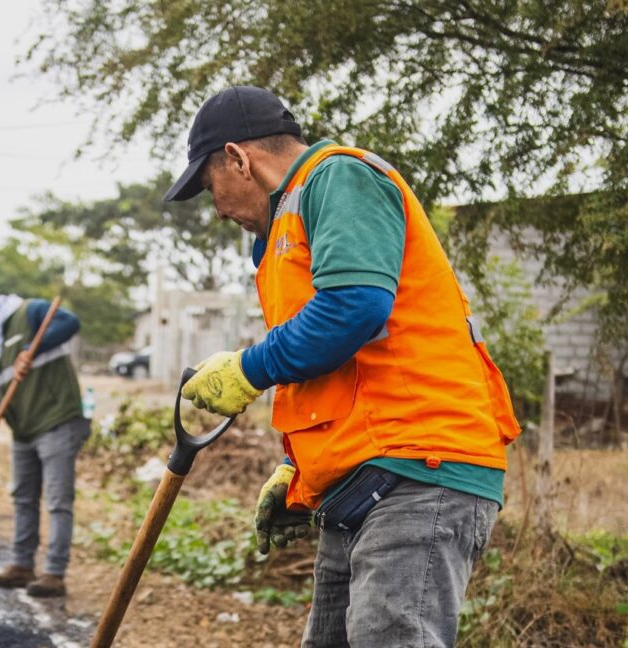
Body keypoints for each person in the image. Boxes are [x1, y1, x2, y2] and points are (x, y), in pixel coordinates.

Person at [164, 86, 520, 647]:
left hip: (420, 468)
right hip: (366, 482)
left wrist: (247, 371)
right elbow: (332, 366)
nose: (219, 209)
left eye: (212, 187)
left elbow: (353, 307)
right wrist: (300, 474)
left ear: (238, 158)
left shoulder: (338, 179)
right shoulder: (285, 234)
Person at [0, 284, 89, 598]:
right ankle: (21, 565)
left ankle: (54, 573)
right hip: (23, 429)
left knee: (57, 500)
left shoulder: (30, 312)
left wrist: (33, 348)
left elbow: (70, 322)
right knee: (23, 497)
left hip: (56, 421)